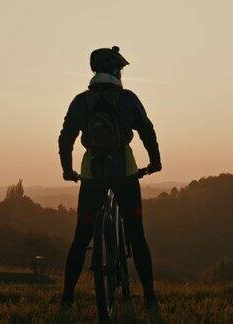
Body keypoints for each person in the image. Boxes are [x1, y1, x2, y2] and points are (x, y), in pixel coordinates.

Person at [58, 46, 162, 306]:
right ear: (117, 71)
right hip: (124, 172)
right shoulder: (128, 98)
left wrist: (67, 169)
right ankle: (150, 296)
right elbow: (147, 131)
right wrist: (155, 162)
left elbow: (65, 137)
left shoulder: (81, 101)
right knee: (137, 235)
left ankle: (67, 298)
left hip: (92, 173)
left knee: (81, 238)